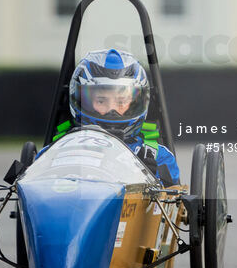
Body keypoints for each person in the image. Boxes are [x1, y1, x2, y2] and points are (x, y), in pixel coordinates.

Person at [68, 48, 180, 186]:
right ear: (80, 101)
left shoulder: (157, 156)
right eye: (101, 101)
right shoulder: (64, 147)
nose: (112, 110)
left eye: (121, 102)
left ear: (137, 103)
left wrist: (150, 177)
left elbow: (172, 199)